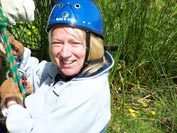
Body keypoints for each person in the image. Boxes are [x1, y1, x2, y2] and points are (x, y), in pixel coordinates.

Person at [0, 0, 114, 132]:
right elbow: (39, 74)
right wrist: (20, 55)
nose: (65, 53)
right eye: (57, 43)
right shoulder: (70, 71)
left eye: (74, 43)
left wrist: (12, 102)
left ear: (92, 45)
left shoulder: (85, 96)